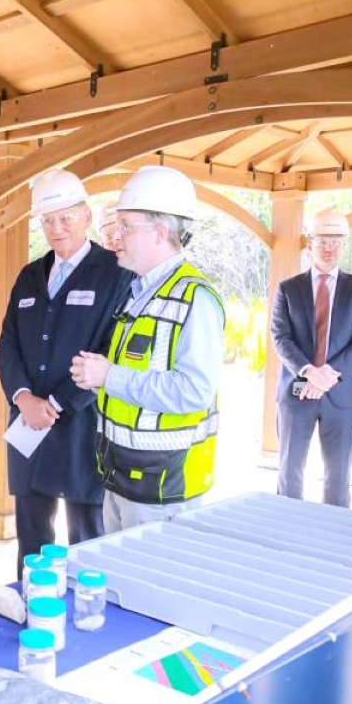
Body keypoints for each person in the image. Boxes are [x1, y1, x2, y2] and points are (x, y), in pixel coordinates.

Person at [71, 165, 225, 533]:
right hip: (123, 473)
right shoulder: (140, 292)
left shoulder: (195, 299)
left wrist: (110, 376)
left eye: (126, 226)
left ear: (160, 232)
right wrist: (103, 377)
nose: (116, 236)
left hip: (163, 484)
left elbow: (194, 391)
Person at [0, 170, 132, 573]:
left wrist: (54, 404)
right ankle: (30, 602)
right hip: (28, 424)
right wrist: (23, 398)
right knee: (31, 541)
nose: (56, 228)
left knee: (87, 539)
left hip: (81, 425)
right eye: (48, 220)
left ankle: (84, 608)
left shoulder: (115, 273)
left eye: (65, 218)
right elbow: (7, 345)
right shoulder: (29, 276)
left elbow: (111, 351)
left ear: (86, 216)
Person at [270, 208, 352, 508]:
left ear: (344, 245)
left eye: (336, 241)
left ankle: (335, 529)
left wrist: (327, 374)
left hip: (342, 395)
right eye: (323, 241)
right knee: (290, 471)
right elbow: (280, 337)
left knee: (338, 476)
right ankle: (285, 527)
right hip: (297, 393)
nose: (330, 248)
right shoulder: (289, 288)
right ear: (310, 244)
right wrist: (309, 372)